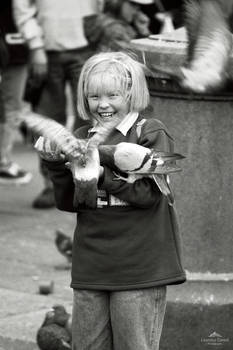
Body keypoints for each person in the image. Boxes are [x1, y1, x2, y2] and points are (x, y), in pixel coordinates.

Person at [35, 51, 186, 350]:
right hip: (92, 266)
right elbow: (71, 201)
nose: (102, 104)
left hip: (139, 267)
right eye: (93, 96)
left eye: (112, 94)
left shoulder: (150, 132)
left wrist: (101, 174)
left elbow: (147, 196)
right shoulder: (81, 135)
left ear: (131, 94)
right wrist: (56, 163)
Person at [13, 0, 100, 208]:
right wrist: (35, 46)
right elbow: (22, 6)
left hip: (87, 45)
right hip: (47, 49)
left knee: (90, 116)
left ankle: (88, 178)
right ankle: (51, 184)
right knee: (48, 120)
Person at [0, 0, 32, 185]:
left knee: (12, 108)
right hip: (13, 47)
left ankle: (3, 160)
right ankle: (2, 162)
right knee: (11, 108)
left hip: (18, 49)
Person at [85, 0, 153, 52]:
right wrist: (144, 33)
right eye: (133, 4)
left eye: (138, 6)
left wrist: (143, 30)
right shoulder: (115, 29)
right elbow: (136, 58)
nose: (137, 10)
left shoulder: (106, 21)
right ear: (117, 2)